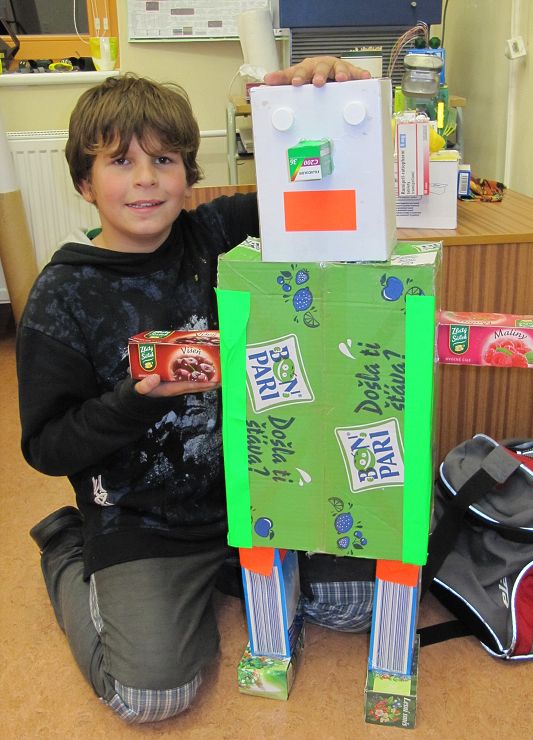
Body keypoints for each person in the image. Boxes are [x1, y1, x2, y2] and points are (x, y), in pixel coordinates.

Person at [17, 56, 375, 724]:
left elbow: (310, 181)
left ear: (188, 174)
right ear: (84, 183)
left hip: (257, 493)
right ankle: (68, 547)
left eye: (164, 160)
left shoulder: (212, 233)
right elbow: (47, 446)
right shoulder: (62, 295)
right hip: (141, 520)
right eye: (120, 162)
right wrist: (135, 402)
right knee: (151, 696)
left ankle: (222, 573)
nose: (146, 178)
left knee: (354, 606)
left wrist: (321, 101)